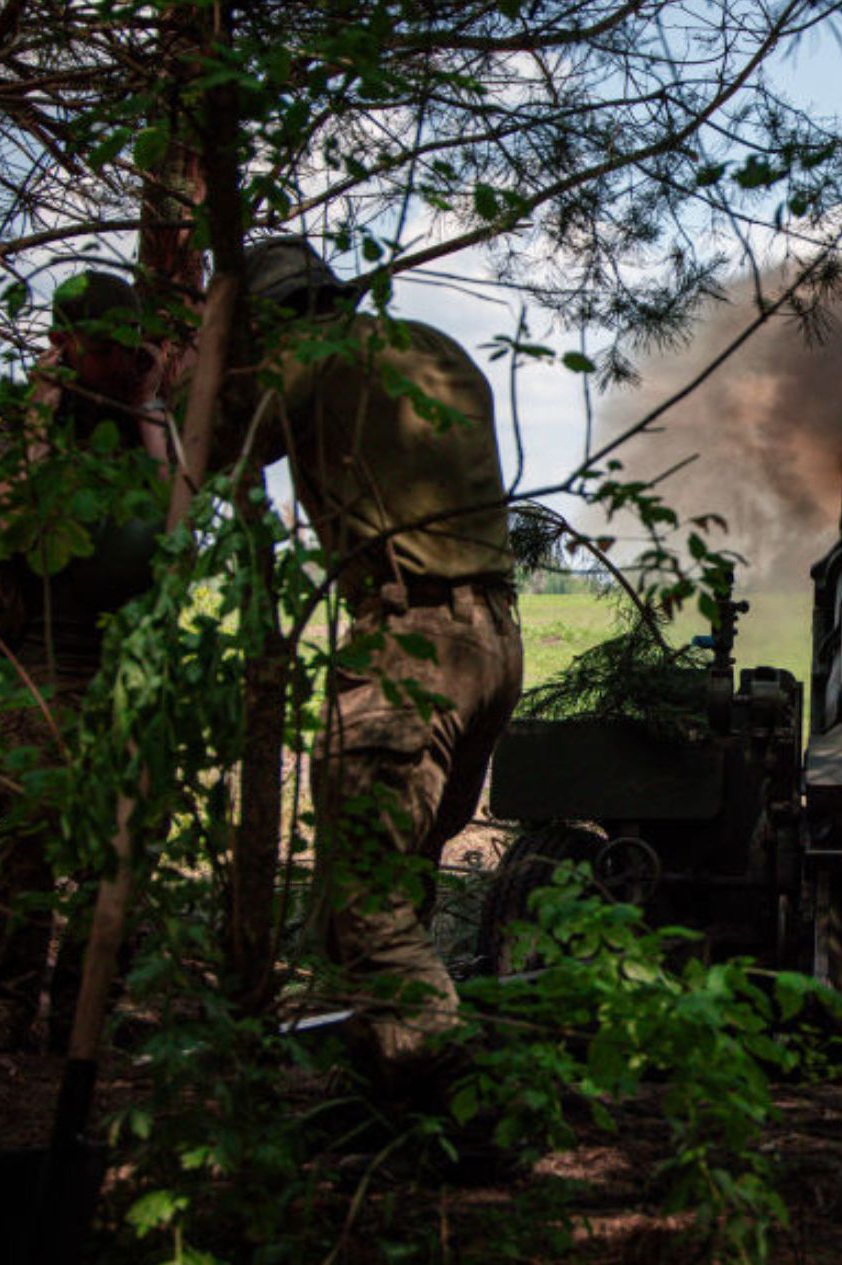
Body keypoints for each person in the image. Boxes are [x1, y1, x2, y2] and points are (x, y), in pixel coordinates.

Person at [233, 237, 524, 1097]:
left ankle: (460, 1091)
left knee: (365, 896)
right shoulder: (434, 347)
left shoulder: (309, 357)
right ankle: (385, 1093)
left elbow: (221, 445)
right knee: (403, 878)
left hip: (413, 642)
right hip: (494, 642)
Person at [0, 271, 167, 1052]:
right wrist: (44, 417)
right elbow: (8, 519)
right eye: (96, 347)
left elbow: (183, 521)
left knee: (126, 833)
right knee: (27, 824)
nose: (110, 362)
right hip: (40, 649)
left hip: (130, 652)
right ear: (62, 343)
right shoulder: (13, 422)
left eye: (123, 349)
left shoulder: (152, 420)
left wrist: (147, 412)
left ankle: (87, 1008)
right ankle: (4, 1003)